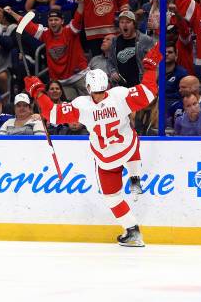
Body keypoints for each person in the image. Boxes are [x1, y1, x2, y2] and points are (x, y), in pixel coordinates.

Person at [22, 45, 163, 247]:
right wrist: (150, 67)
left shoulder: (82, 106)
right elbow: (150, 92)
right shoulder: (120, 95)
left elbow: (51, 113)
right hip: (127, 149)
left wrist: (37, 91)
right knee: (131, 136)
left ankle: (132, 231)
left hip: (106, 159)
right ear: (106, 85)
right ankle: (135, 176)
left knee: (111, 196)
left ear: (88, 88)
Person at [2, 0, 88, 100]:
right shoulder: (45, 34)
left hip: (80, 76)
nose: (53, 22)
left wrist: (81, 3)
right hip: (61, 83)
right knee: (70, 109)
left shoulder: (70, 30)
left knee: (93, 104)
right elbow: (28, 25)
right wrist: (12, 13)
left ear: (62, 21)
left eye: (56, 20)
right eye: (51, 20)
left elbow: (78, 17)